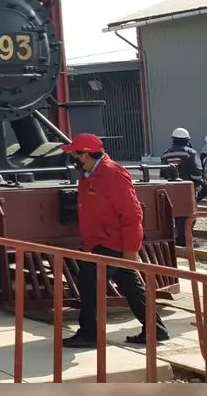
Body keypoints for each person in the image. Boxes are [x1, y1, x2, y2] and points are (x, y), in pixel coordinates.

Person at [60, 132, 170, 348]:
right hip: (100, 241)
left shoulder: (112, 174)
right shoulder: (88, 173)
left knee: (89, 283)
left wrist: (131, 249)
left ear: (86, 154)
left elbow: (132, 213)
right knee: (130, 286)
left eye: (75, 153)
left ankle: (90, 333)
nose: (72, 156)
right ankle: (155, 329)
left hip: (111, 242)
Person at [160, 127, 204, 247]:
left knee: (176, 213)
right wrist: (198, 184)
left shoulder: (165, 154)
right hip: (187, 188)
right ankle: (185, 239)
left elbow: (163, 173)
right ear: (187, 140)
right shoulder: (190, 153)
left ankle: (178, 237)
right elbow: (196, 171)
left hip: (171, 189)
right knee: (189, 214)